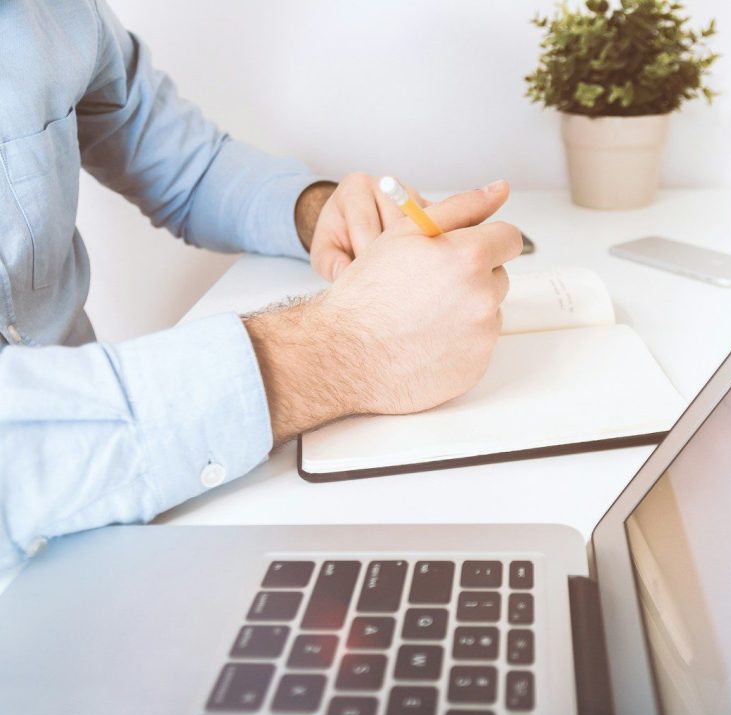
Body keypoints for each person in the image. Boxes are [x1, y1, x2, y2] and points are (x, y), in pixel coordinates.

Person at [0, 1, 521, 568]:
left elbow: (186, 166)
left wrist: (319, 211)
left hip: (121, 522)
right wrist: (346, 347)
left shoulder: (57, 14)